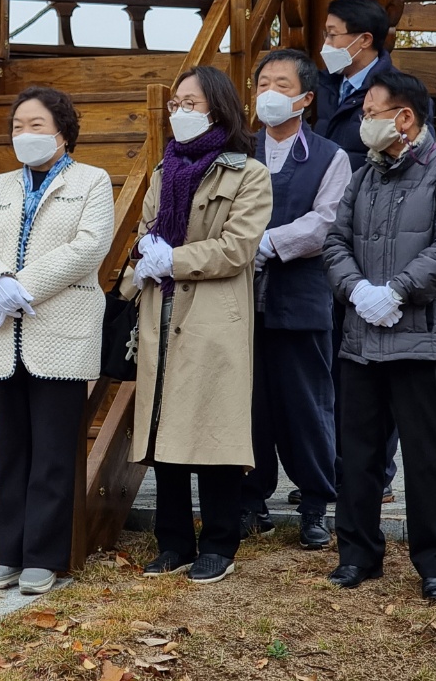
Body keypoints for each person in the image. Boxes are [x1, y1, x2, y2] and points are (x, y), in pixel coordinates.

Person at [323, 69, 436, 601]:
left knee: (427, 454)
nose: (364, 122)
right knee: (357, 453)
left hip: (425, 339)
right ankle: (358, 555)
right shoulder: (363, 176)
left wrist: (398, 291)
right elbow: (334, 243)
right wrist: (358, 290)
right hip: (362, 339)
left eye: (370, 112)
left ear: (404, 117)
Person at [124, 65, 272, 584]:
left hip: (211, 317)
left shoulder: (248, 173)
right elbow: (145, 230)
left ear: (217, 107)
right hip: (158, 312)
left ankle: (219, 541)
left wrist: (173, 259)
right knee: (165, 430)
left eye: (191, 103)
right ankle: (173, 542)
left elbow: (237, 248)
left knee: (212, 432)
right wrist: (143, 258)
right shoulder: (164, 172)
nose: (179, 112)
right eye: (176, 104)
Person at [0, 87, 114, 596]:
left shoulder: (91, 181)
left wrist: (23, 285)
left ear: (62, 130)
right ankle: (5, 552)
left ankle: (43, 556)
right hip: (4, 330)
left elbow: (90, 246)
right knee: (11, 450)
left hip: (61, 331)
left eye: (35, 125)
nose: (23, 135)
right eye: (17, 126)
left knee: (52, 451)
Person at [312, 0, 423, 504]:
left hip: (382, 247)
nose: (327, 43)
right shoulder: (326, 88)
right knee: (340, 362)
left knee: (380, 363)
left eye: (335, 34)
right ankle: (343, 468)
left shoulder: (399, 96)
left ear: (364, 40)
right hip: (334, 246)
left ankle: (377, 470)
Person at [241, 50, 351, 550]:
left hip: (301, 297)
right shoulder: (238, 150)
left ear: (306, 98)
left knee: (307, 404)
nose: (269, 93)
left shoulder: (331, 156)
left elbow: (326, 221)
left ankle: (314, 505)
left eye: (281, 85)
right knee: (247, 403)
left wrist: (266, 243)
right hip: (239, 299)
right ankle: (249, 498)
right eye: (263, 83)